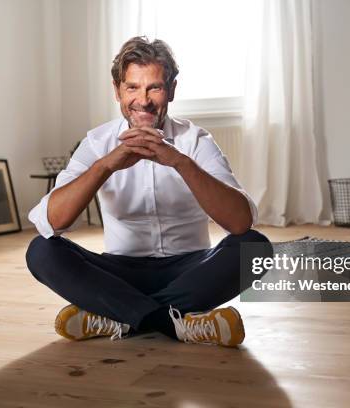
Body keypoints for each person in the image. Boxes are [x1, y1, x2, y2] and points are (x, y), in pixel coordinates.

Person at [26, 36, 270, 347]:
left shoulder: (195, 141)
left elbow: (239, 223)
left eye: (154, 87)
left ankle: (119, 316)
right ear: (117, 90)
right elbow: (52, 220)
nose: (143, 100)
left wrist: (180, 162)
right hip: (119, 272)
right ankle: (181, 323)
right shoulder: (97, 143)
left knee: (256, 248)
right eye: (132, 88)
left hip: (190, 271)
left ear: (171, 89)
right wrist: (105, 166)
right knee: (41, 251)